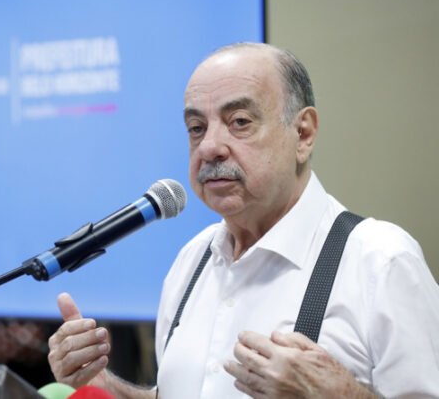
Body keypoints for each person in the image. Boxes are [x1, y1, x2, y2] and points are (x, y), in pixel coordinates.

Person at [46, 43, 439, 398]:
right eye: (196, 128)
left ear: (303, 134)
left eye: (239, 122)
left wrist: (342, 395)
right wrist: (106, 388)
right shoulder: (191, 261)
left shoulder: (381, 261)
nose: (210, 147)